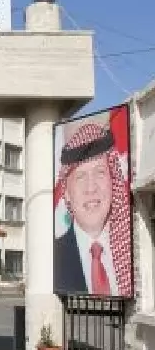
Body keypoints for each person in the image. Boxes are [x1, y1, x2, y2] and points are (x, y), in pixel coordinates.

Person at [53, 122, 132, 297]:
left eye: (100, 172)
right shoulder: (52, 257)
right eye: (80, 176)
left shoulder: (134, 252)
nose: (91, 188)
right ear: (66, 193)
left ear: (113, 180)